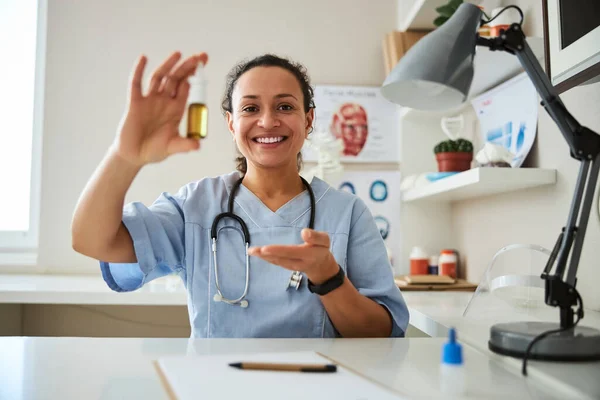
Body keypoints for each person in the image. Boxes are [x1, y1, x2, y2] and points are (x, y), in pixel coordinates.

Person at [71, 52, 409, 338]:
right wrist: (125, 157)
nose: (267, 121)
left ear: (308, 121)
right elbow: (91, 240)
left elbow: (381, 333)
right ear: (231, 124)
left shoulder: (347, 212)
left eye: (285, 107)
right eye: (250, 109)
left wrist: (329, 278)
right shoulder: (196, 205)